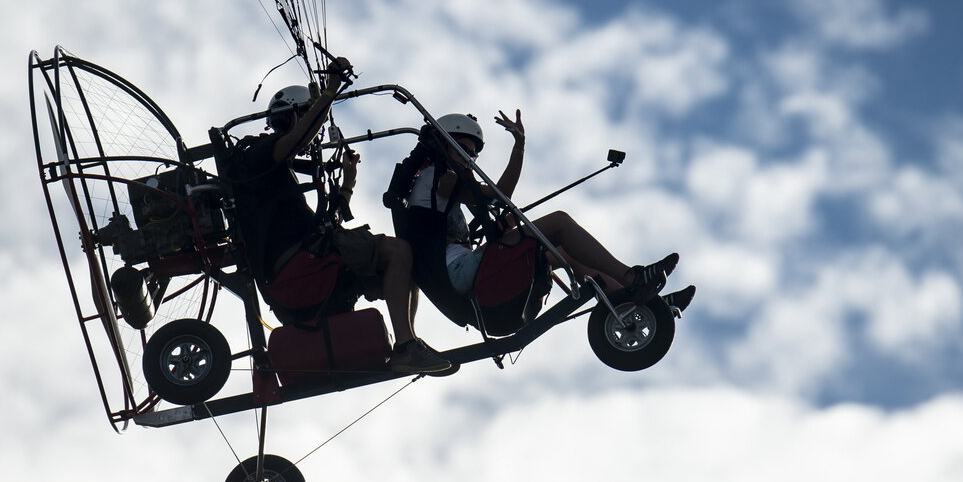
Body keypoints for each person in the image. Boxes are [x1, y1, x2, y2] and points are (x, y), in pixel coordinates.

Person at [229, 58, 451, 375]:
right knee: (398, 251)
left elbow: (324, 224)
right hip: (298, 271)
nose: (316, 130)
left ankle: (408, 343)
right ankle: (406, 346)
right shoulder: (258, 154)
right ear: (293, 115)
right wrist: (330, 90)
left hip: (307, 266)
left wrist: (346, 185)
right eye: (309, 116)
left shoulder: (278, 178)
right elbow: (298, 139)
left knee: (405, 267)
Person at [407, 110, 680, 302]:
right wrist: (519, 147)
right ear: (443, 145)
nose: (470, 158)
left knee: (560, 251)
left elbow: (496, 201)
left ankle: (634, 300)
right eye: (463, 149)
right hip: (456, 272)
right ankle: (632, 279)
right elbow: (499, 194)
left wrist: (506, 222)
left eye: (474, 153)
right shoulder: (438, 178)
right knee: (558, 223)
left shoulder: (443, 187)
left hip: (461, 268)